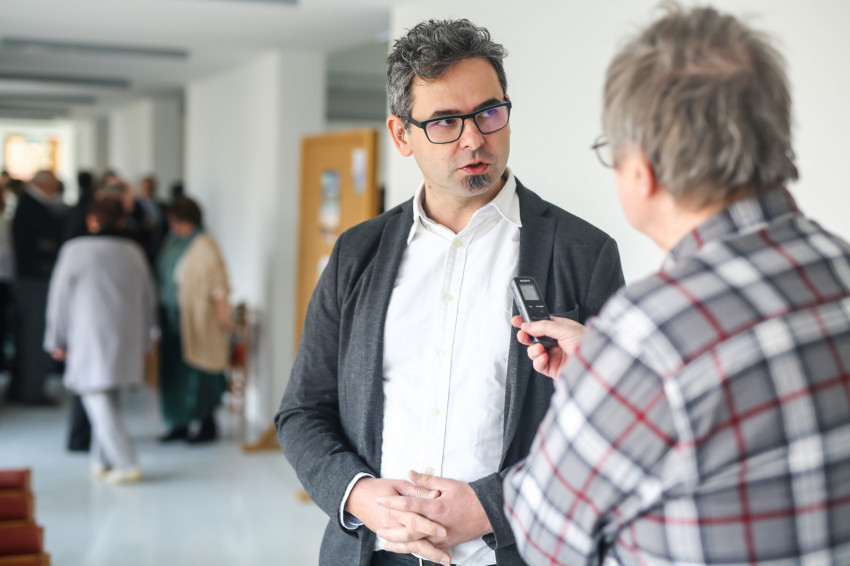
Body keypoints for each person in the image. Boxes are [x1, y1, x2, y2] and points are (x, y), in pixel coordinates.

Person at [503, 6, 850, 566]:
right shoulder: (839, 268)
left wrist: (606, 379)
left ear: (642, 169)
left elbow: (542, 534)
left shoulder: (648, 336)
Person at [275, 18, 624, 566]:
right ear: (401, 135)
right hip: (372, 553)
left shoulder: (582, 253)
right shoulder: (356, 254)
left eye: (489, 112)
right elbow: (302, 411)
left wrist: (493, 506)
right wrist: (359, 496)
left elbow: (614, 432)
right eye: (444, 121)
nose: (474, 139)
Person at [44, 197, 156, 484]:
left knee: (95, 396)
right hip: (127, 335)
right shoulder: (134, 252)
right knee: (112, 399)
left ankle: (127, 462)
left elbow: (58, 298)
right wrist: (146, 338)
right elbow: (148, 299)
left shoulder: (75, 250)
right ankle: (101, 460)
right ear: (121, 221)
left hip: (88, 335)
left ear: (91, 220)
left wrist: (55, 337)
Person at [157, 197, 233, 444]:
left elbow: (219, 287)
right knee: (174, 375)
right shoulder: (173, 243)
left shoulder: (205, 245)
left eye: (177, 222)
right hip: (173, 321)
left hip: (199, 322)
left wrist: (225, 320)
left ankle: (205, 424)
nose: (174, 227)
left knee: (200, 374)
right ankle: (178, 423)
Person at [11, 170, 68, 405]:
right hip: (34, 280)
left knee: (29, 335)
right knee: (34, 336)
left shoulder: (30, 205)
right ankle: (31, 390)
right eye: (53, 185)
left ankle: (23, 387)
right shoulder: (32, 207)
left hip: (30, 278)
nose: (56, 190)